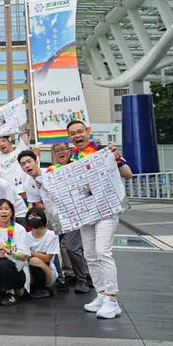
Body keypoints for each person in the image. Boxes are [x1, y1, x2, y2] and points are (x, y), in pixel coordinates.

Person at [66, 120, 133, 320]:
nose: (77, 136)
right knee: (90, 255)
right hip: (87, 214)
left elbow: (128, 174)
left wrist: (117, 157)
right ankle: (101, 294)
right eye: (72, 134)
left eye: (80, 132)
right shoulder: (73, 160)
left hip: (106, 211)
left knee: (103, 252)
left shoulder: (105, 151)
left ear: (88, 132)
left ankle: (112, 300)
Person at [48, 140, 90, 293]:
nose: (60, 152)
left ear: (69, 150)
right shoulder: (51, 171)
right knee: (50, 244)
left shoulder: (78, 166)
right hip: (58, 215)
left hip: (76, 214)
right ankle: (60, 278)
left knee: (73, 248)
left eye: (63, 149)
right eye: (57, 150)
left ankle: (82, 279)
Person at [26, 207, 59, 299]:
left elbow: (47, 258)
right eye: (31, 216)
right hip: (30, 272)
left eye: (36, 216)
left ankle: (43, 289)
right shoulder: (26, 236)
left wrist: (31, 253)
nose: (33, 218)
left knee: (34, 261)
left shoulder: (51, 235)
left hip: (48, 272)